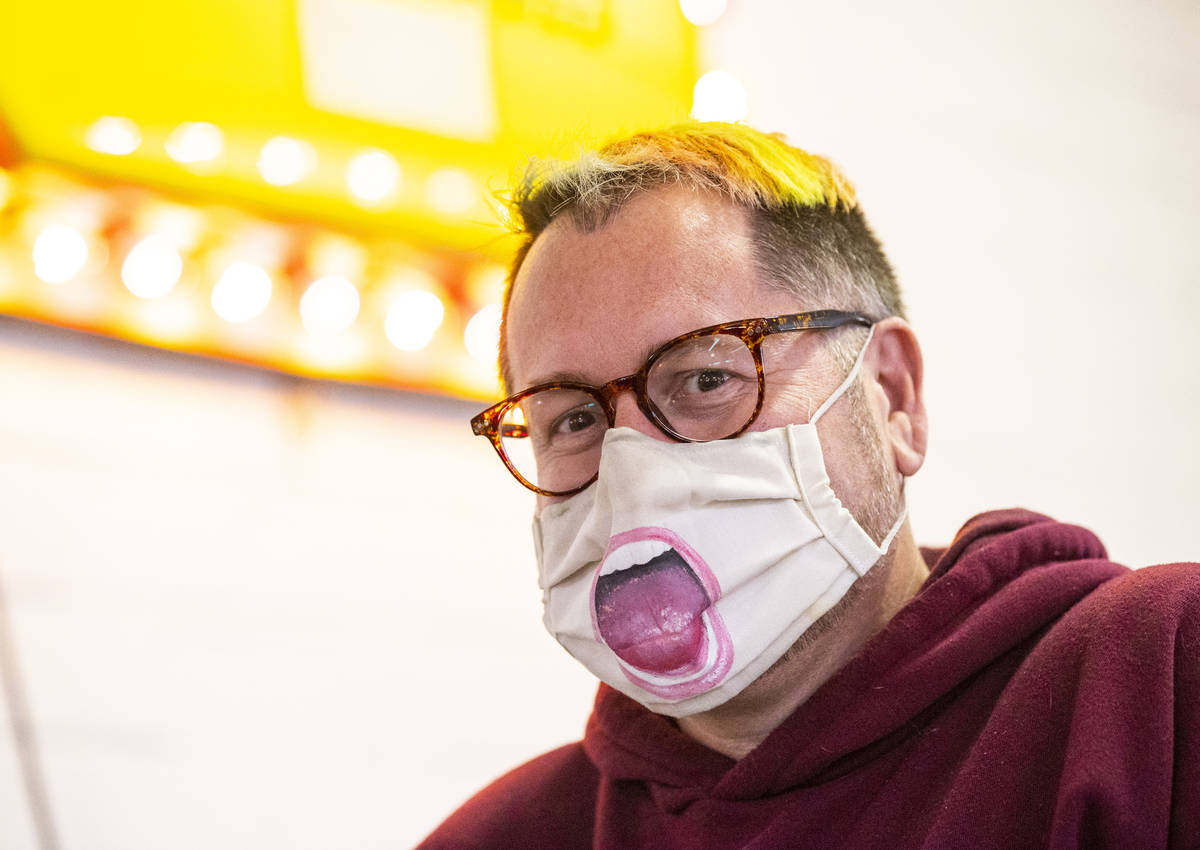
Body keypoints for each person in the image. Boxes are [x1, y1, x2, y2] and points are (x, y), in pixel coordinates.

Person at [418, 123, 1199, 849]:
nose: (633, 476)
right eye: (575, 421)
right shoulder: (506, 836)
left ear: (893, 398)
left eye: (706, 376)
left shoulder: (1158, 684)